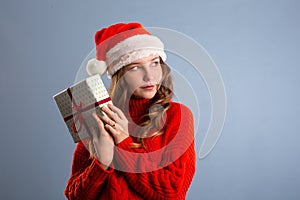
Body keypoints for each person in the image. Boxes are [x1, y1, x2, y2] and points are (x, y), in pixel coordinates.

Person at [64, 22, 196, 200]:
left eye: (154, 63)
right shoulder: (99, 114)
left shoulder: (178, 116)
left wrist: (123, 142)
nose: (149, 76)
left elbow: (172, 193)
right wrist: (101, 163)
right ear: (119, 75)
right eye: (135, 67)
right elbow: (74, 196)